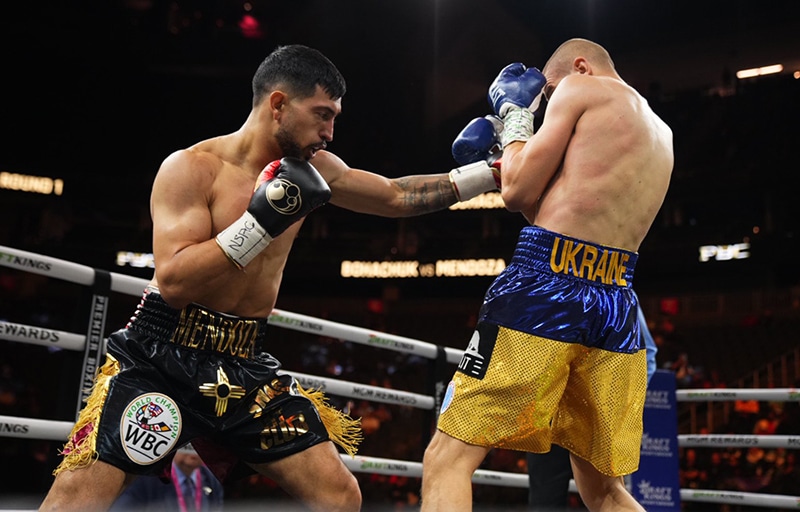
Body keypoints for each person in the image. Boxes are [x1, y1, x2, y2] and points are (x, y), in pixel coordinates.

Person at [39, 44, 501, 512]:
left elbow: (396, 197)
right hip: (161, 356)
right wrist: (258, 224)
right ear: (278, 104)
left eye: (335, 117)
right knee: (78, 497)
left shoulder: (314, 170)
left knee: (339, 496)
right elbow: (175, 281)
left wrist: (491, 173)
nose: (330, 132)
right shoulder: (193, 168)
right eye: (322, 114)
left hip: (243, 360)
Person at [420, 38, 673, 512]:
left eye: (549, 94)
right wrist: (509, 151)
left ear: (580, 68)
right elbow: (557, 212)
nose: (549, 105)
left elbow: (516, 192)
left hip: (543, 292)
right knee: (606, 493)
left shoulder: (580, 88)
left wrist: (516, 116)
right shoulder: (661, 131)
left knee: (447, 458)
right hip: (616, 304)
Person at [527, 305, 658, 511]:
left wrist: (620, 402)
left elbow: (646, 353)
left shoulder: (616, 290)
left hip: (593, 413)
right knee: (546, 498)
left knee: (607, 494)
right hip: (552, 408)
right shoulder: (553, 285)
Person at [110, 444, 224, 512]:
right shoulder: (145, 478)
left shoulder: (212, 480)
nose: (193, 451)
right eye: (188, 445)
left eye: (200, 446)